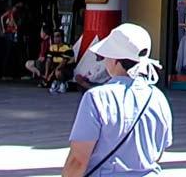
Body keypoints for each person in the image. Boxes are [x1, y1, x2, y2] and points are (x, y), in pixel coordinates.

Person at [62, 23, 172, 177]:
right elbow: (158, 153)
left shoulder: (97, 98)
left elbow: (77, 160)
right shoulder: (159, 98)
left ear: (115, 60)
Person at [47, 29, 76, 94]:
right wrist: (46, 73)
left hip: (67, 68)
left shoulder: (67, 47)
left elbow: (63, 62)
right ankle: (55, 83)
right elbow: (48, 60)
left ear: (61, 37)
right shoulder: (52, 47)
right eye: (54, 36)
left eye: (57, 36)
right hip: (55, 66)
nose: (55, 38)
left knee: (58, 71)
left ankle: (63, 84)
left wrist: (52, 73)